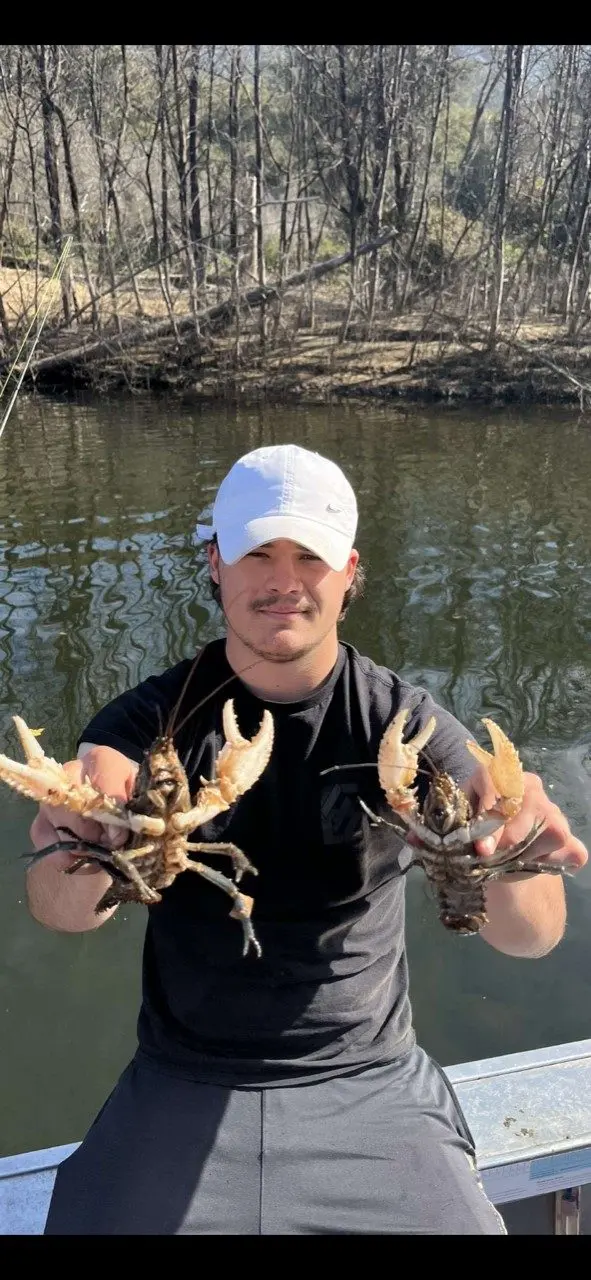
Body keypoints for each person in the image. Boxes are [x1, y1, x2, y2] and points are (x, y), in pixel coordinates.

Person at [28, 444, 587, 1236]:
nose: (283, 578)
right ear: (216, 563)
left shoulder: (408, 726)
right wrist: (84, 839)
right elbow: (61, 913)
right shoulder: (141, 729)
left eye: (309, 556)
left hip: (370, 1078)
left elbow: (533, 939)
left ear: (348, 570)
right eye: (258, 551)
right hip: (182, 1076)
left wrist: (502, 839)